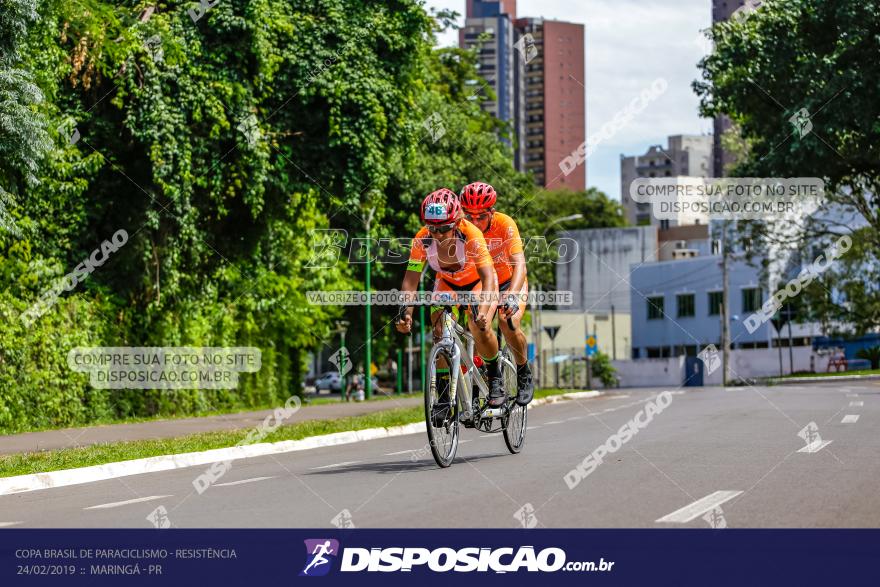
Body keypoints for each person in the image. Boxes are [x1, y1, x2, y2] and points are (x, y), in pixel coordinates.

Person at [395, 188, 504, 423]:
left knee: (478, 326)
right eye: (433, 228)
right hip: (447, 283)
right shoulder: (422, 238)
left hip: (477, 281)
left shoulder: (471, 234)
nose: (439, 234)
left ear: (457, 221)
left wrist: (484, 311)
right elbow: (411, 279)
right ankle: (444, 397)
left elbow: (488, 277)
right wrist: (405, 312)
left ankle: (495, 378)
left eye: (444, 228)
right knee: (440, 332)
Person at [459, 181, 534, 406]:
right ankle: (494, 378)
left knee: (507, 320)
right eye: (469, 216)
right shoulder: (461, 228)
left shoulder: (505, 224)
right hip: (485, 284)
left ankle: (523, 371)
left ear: (491, 212)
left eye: (480, 216)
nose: (474, 221)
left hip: (511, 280)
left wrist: (511, 294)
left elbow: (520, 264)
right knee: (477, 322)